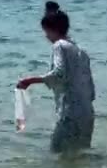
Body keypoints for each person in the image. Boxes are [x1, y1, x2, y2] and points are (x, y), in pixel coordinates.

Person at [17, 10, 96, 153]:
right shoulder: (81, 50)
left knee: (57, 153)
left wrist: (31, 80)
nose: (46, 36)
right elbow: (91, 89)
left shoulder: (59, 45)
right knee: (81, 156)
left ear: (52, 29)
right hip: (88, 113)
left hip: (71, 113)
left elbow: (60, 74)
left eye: (46, 31)